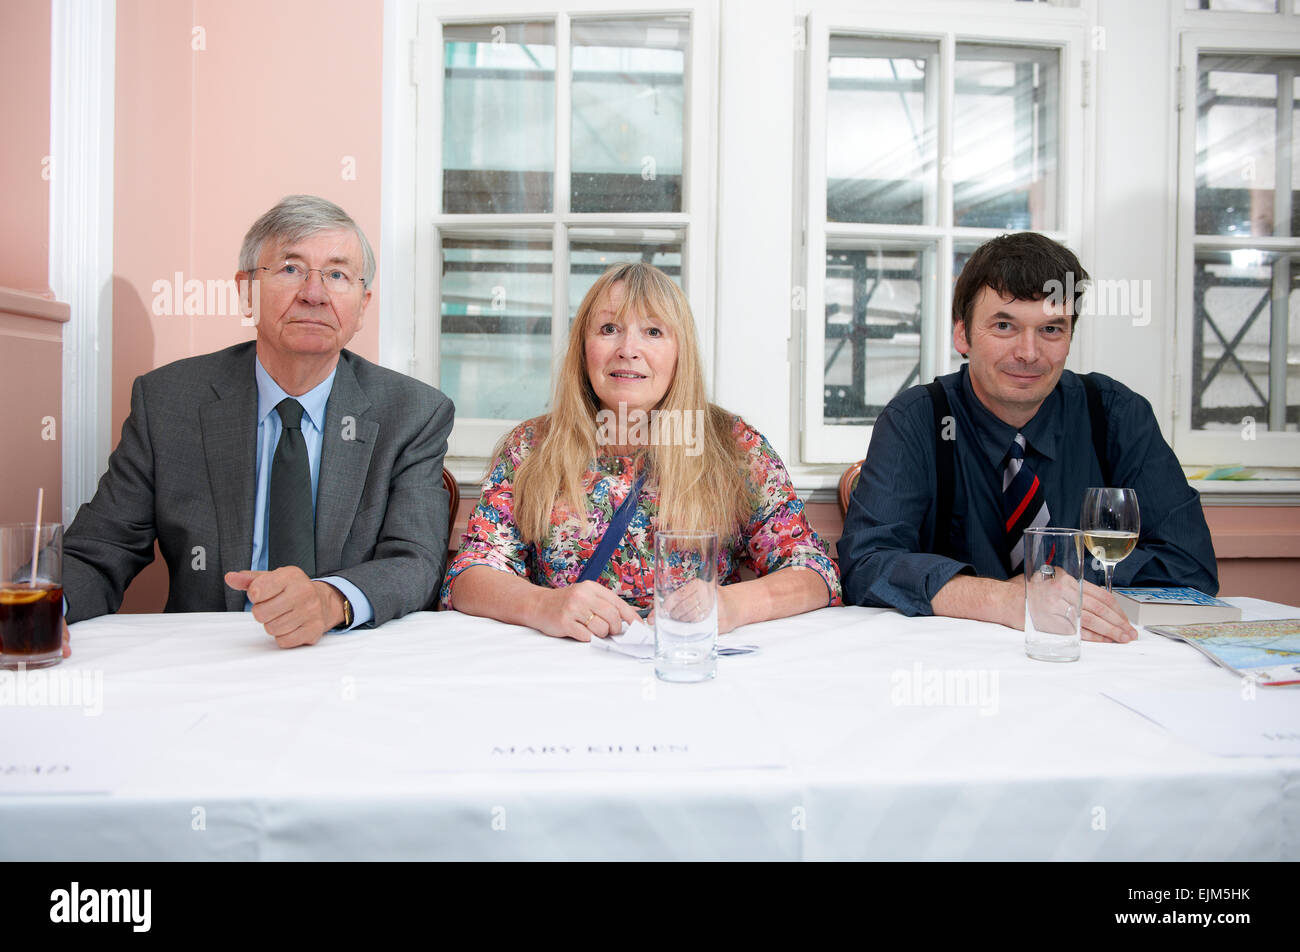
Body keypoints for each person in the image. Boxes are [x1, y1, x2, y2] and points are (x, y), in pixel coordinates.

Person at [62, 195, 454, 648]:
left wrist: (329, 601)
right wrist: (48, 607)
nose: (314, 293)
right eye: (290, 269)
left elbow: (416, 561)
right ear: (246, 290)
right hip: (209, 655)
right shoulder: (169, 402)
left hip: (346, 650)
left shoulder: (412, 413)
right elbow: (100, 549)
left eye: (337, 274)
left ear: (362, 305)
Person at [838, 232, 1218, 643]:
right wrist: (1000, 599)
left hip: (1095, 659)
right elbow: (866, 565)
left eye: (1052, 329)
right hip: (957, 661)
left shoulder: (1116, 414)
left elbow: (1190, 568)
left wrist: (1055, 583)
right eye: (1005, 326)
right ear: (963, 335)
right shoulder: (916, 419)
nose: (1029, 353)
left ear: (1070, 335)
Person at [441, 262, 840, 640]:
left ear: (680, 351)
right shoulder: (531, 447)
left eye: (653, 332)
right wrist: (542, 605)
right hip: (567, 672)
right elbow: (467, 575)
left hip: (687, 668)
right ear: (584, 347)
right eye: (609, 328)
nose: (628, 349)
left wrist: (732, 605)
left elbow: (814, 570)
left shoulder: (733, 445)